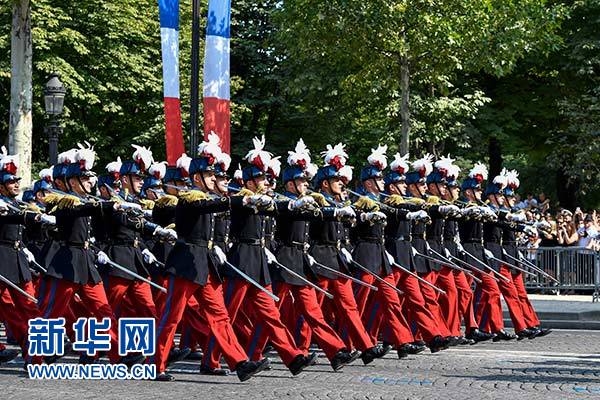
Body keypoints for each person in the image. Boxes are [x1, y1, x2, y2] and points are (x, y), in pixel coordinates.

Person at [151, 134, 271, 382]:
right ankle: (156, 364)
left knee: (220, 316)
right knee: (172, 317)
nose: (214, 179)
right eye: (209, 175)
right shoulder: (190, 198)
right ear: (197, 178)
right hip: (185, 263)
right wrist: (241, 199)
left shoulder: (208, 198)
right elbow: (206, 207)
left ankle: (239, 362)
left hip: (205, 263)